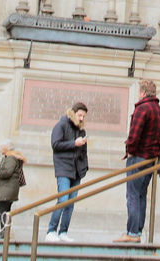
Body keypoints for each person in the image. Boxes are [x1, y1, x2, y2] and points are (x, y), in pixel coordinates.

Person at [114, 79, 160, 243]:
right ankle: (136, 231)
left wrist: (130, 150)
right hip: (152, 159)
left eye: (139, 91)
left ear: (143, 92)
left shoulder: (142, 108)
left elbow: (134, 135)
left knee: (132, 195)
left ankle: (132, 232)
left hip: (138, 157)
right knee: (141, 196)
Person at [45, 102, 87, 242]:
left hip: (76, 170)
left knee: (71, 202)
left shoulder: (82, 131)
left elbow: (84, 152)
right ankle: (51, 231)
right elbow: (55, 144)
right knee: (63, 199)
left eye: (83, 116)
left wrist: (84, 167)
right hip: (63, 168)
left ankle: (63, 232)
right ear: (73, 113)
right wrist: (74, 143)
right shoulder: (61, 125)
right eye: (80, 115)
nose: (81, 118)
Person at [0, 141, 26, 238]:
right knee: (5, 211)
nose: (0, 148)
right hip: (7, 189)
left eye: (2, 146)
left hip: (7, 189)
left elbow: (7, 172)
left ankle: (4, 233)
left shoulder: (10, 158)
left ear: (7, 148)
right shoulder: (10, 158)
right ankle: (4, 232)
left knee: (3, 211)